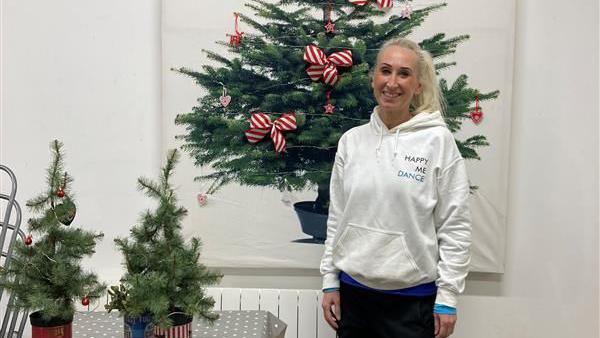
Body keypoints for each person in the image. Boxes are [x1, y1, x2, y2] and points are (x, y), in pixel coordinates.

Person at [319, 37, 472, 338]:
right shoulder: (351, 141)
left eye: (404, 73)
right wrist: (330, 280)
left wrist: (448, 298)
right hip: (353, 297)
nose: (392, 82)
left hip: (411, 303)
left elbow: (455, 225)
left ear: (418, 85)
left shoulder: (437, 142)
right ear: (373, 78)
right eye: (385, 71)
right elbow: (337, 216)